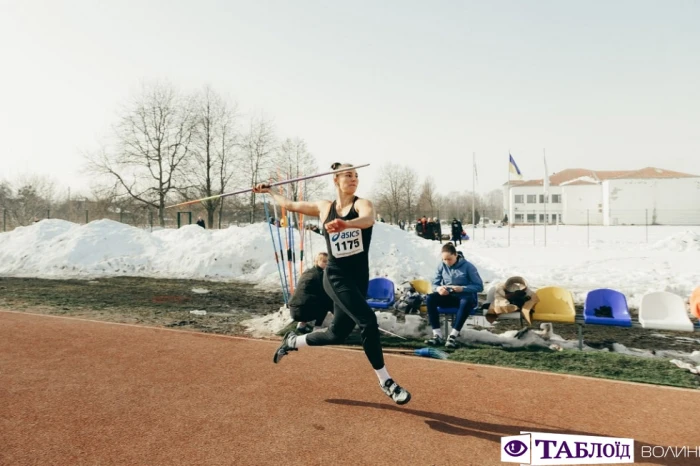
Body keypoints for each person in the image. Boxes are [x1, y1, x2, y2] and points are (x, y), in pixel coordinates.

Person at [252, 162, 411, 405]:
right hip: (336, 277)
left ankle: (294, 341)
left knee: (337, 333)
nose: (354, 179)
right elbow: (290, 205)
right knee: (368, 321)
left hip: (359, 280)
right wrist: (271, 192)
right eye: (348, 175)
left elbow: (368, 220)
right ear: (335, 180)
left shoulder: (361, 204)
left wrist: (347, 224)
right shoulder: (324, 207)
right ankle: (386, 381)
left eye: (356, 175)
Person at [425, 243, 483, 348]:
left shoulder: (468, 267)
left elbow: (479, 286)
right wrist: (439, 289)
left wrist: (463, 288)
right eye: (444, 259)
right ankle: (437, 335)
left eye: (449, 259)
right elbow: (434, 284)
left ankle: (453, 336)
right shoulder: (441, 265)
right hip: (449, 296)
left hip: (465, 298)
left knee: (465, 301)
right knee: (430, 298)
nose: (447, 262)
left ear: (456, 255)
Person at [290, 252, 334, 334]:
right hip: (303, 311)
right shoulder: (320, 275)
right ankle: (317, 328)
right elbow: (325, 295)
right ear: (317, 261)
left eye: (328, 262)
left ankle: (301, 325)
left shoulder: (307, 272)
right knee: (325, 303)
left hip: (293, 309)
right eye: (324, 261)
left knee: (308, 299)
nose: (326, 264)